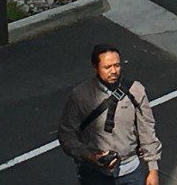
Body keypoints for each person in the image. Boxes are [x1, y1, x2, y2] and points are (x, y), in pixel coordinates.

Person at [58, 43, 162, 185]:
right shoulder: (80, 96)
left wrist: (153, 170)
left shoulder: (135, 90)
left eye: (117, 65)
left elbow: (147, 130)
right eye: (107, 67)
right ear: (95, 67)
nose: (114, 71)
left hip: (130, 171)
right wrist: (90, 156)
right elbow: (67, 135)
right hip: (94, 174)